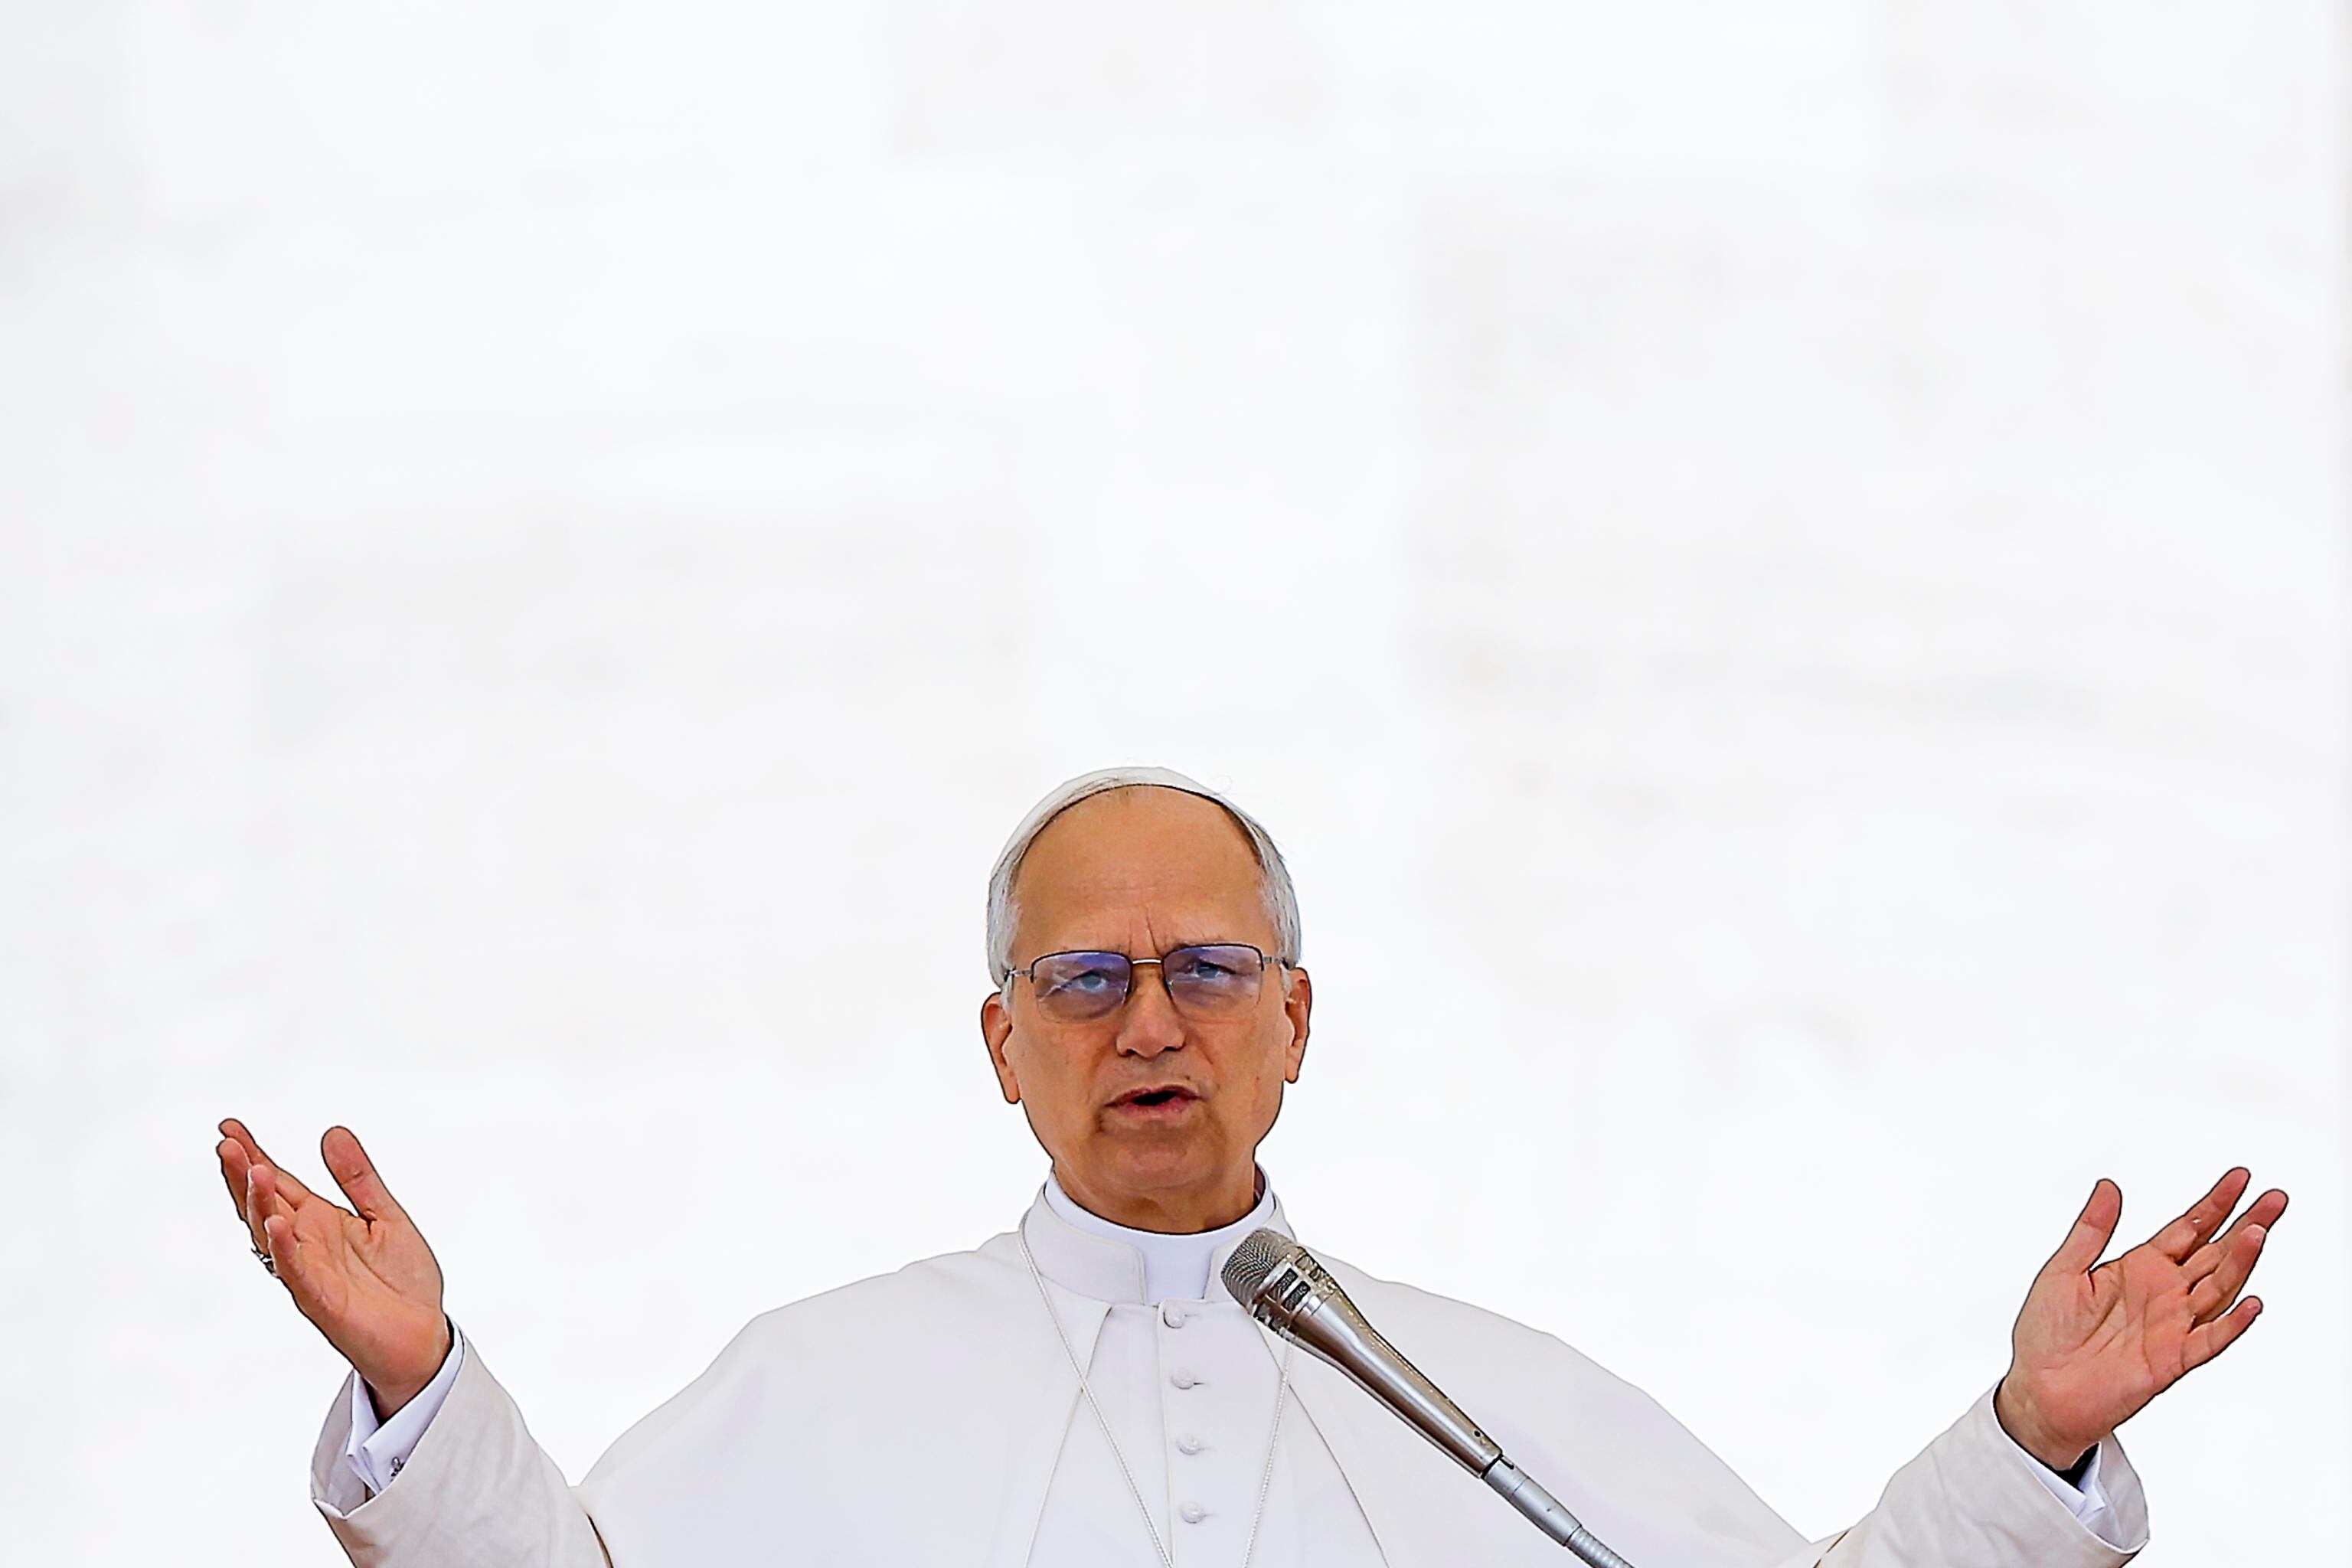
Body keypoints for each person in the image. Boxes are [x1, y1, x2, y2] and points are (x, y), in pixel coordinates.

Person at [217, 766, 2287, 1566]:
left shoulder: (1483, 1396)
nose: (1149, 1025)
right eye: (1087, 978)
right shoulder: (825, 1376)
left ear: (1295, 1025)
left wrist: (2031, 1442)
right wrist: (426, 1388)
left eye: (1209, 971)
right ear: (1000, 1045)